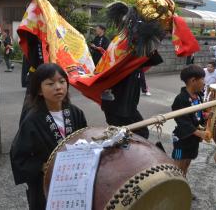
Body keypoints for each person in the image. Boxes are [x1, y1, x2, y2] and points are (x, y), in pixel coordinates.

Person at [10, 63, 88, 210]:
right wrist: (41, 166)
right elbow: (19, 157)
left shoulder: (76, 113)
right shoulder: (32, 120)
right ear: (39, 90)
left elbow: (85, 141)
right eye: (50, 83)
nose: (58, 87)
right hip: (46, 183)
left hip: (73, 179)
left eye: (62, 81)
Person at [101, 51, 163, 139]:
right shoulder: (124, 59)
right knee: (140, 134)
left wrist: (149, 43)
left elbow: (155, 59)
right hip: (119, 108)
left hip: (123, 107)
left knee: (123, 137)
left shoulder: (135, 60)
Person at [171, 65, 211, 178]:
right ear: (193, 80)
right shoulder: (181, 99)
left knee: (187, 163)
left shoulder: (198, 96)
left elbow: (197, 115)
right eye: (202, 79)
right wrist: (200, 133)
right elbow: (183, 122)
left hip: (192, 139)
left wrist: (206, 116)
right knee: (178, 164)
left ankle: (181, 186)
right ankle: (174, 188)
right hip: (182, 140)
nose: (204, 82)